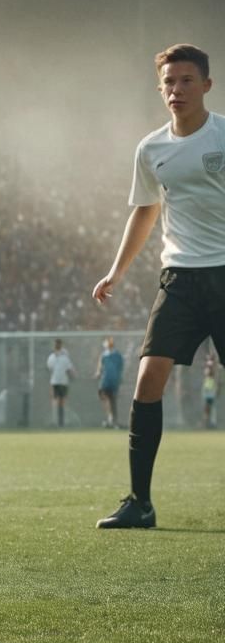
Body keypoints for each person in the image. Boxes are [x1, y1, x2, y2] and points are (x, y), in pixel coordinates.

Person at [92, 43, 225, 529]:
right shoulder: (151, 149)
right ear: (160, 89)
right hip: (180, 279)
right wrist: (116, 271)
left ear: (207, 85)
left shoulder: (224, 136)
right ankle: (139, 503)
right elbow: (145, 211)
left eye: (187, 80)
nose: (177, 90)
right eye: (169, 82)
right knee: (148, 381)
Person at [95, 337, 124, 428]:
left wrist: (119, 379)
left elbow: (120, 368)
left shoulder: (118, 356)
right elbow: (100, 368)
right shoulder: (104, 355)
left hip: (112, 382)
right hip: (105, 381)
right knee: (105, 398)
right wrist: (98, 373)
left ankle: (113, 420)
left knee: (112, 401)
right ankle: (110, 419)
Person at [46, 338, 75, 428]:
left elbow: (69, 369)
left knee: (62, 402)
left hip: (63, 382)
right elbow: (50, 368)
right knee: (55, 401)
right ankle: (55, 421)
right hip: (55, 382)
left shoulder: (65, 357)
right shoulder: (51, 357)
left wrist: (72, 375)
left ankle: (61, 422)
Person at [201, 347, 218, 430]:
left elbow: (210, 372)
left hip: (210, 390)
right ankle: (206, 423)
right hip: (208, 389)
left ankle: (209, 423)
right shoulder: (209, 365)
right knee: (207, 408)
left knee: (209, 407)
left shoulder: (210, 365)